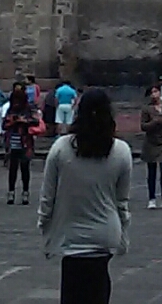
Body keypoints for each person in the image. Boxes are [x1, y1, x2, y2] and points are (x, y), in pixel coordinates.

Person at [39, 88, 133, 304]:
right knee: (99, 288)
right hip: (105, 233)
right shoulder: (121, 151)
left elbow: (47, 197)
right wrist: (123, 235)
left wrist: (45, 228)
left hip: (70, 235)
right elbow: (121, 201)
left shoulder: (61, 148)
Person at [1, 88, 45, 204]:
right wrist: (12, 122)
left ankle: (25, 192)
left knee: (25, 169)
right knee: (12, 169)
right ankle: (11, 192)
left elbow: (36, 121)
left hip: (25, 142)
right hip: (13, 143)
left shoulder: (28, 109)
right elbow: (4, 125)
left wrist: (24, 121)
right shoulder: (10, 110)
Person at [139, 85, 162, 210]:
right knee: (152, 171)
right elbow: (143, 126)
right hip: (151, 143)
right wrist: (154, 122)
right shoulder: (146, 109)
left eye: (156, 91)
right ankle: (152, 198)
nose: (154, 94)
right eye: (152, 92)